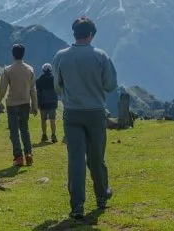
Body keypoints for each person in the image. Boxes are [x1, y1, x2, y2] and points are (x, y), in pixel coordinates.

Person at [52, 16, 118, 220]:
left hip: (72, 113)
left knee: (76, 159)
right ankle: (101, 195)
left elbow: (57, 86)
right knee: (97, 157)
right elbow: (110, 85)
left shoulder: (61, 56)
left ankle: (77, 206)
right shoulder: (100, 56)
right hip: (95, 112)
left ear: (74, 33)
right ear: (91, 35)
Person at [0, 43, 38, 166]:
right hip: (25, 103)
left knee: (14, 131)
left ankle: (18, 157)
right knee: (25, 129)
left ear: (13, 54)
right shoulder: (29, 69)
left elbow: (2, 88)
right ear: (23, 54)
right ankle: (28, 153)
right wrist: (34, 106)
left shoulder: (8, 70)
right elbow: (33, 89)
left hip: (12, 104)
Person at [36, 63, 59, 143]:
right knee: (52, 120)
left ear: (43, 70)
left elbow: (37, 93)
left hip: (43, 103)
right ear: (51, 69)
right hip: (52, 103)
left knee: (43, 120)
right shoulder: (54, 79)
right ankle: (53, 135)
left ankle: (44, 135)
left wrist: (37, 104)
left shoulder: (39, 80)